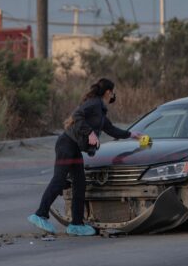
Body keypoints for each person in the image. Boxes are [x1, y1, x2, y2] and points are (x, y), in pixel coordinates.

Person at [28, 78, 142, 236]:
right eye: (113, 92)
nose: (114, 96)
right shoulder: (94, 103)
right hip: (66, 144)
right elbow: (77, 115)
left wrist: (131, 134)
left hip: (74, 148)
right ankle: (40, 214)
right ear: (108, 92)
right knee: (59, 179)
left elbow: (111, 129)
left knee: (80, 183)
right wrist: (90, 133)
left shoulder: (100, 111)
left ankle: (76, 224)